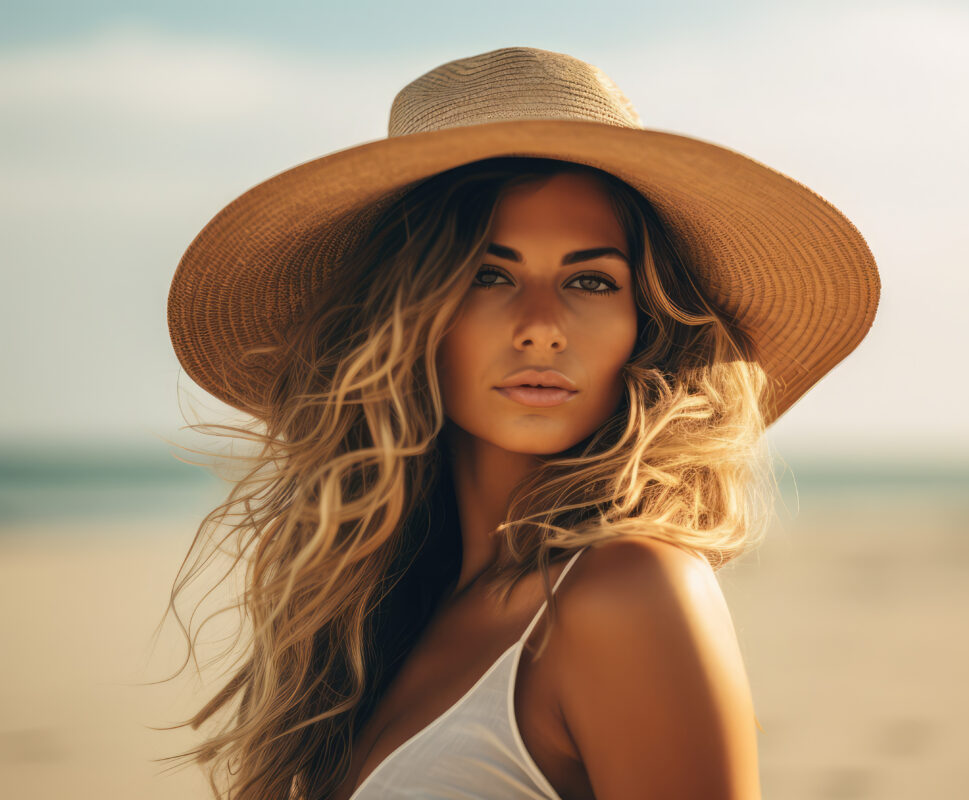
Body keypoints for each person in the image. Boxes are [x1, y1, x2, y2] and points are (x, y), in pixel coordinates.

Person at [158, 47, 879, 800]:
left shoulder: (627, 591)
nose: (542, 328)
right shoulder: (384, 625)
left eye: (591, 280)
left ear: (647, 324)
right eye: (487, 274)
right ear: (407, 315)